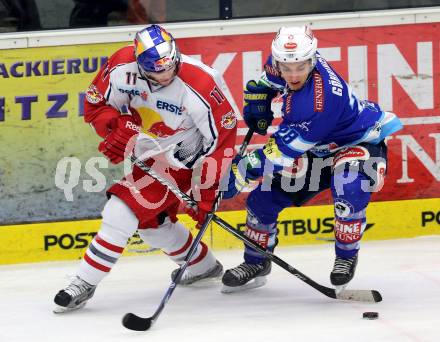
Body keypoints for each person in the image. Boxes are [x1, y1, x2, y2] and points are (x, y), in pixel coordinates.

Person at [53, 24, 237, 312]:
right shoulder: (120, 66)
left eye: (170, 66)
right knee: (153, 226)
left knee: (120, 210)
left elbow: (223, 140)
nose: (165, 74)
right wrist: (118, 126)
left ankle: (83, 282)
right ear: (140, 65)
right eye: (156, 70)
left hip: (189, 160)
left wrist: (206, 190)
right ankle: (203, 266)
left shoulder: (201, 82)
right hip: (153, 157)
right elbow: (95, 107)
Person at [221, 26, 403, 293]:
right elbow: (264, 83)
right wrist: (258, 100)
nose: (293, 74)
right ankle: (256, 262)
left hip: (355, 141)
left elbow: (281, 153)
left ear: (313, 59)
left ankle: (345, 256)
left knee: (349, 186)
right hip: (315, 148)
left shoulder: (318, 102)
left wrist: (244, 168)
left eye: (301, 67)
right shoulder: (284, 61)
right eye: (287, 67)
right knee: (262, 200)